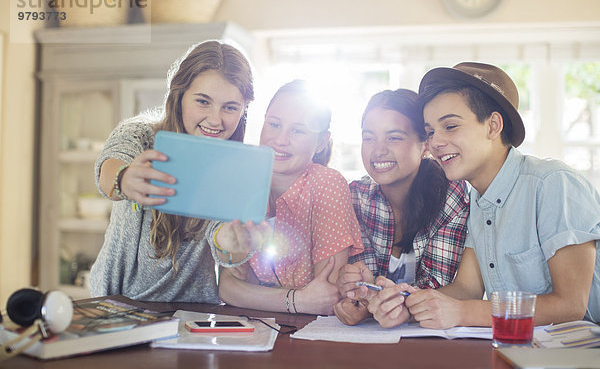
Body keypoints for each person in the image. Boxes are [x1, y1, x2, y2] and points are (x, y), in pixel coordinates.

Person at [370, 62, 600, 329]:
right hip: (522, 350)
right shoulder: (479, 201)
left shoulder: (552, 183)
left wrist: (463, 313)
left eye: (451, 126)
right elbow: (466, 289)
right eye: (430, 132)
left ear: (493, 126)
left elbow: (570, 305)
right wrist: (405, 304)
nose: (435, 142)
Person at [89, 40, 256, 302]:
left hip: (190, 315)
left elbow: (221, 240)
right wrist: (125, 178)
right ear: (179, 96)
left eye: (230, 107)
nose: (215, 119)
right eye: (203, 101)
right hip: (115, 305)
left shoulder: (234, 171)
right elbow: (108, 172)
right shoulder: (140, 134)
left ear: (243, 109)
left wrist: (233, 246)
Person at [212, 80, 364, 315]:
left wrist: (255, 294)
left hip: (310, 335)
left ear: (321, 141)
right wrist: (297, 300)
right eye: (274, 124)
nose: (281, 140)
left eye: (298, 130)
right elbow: (228, 289)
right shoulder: (241, 181)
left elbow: (326, 294)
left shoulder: (328, 184)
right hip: (250, 330)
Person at [333, 89, 469, 326]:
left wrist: (377, 296)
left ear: (425, 144)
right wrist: (357, 294)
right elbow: (366, 283)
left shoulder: (450, 193)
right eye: (369, 137)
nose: (378, 150)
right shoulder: (355, 196)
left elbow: (437, 286)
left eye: (394, 137)